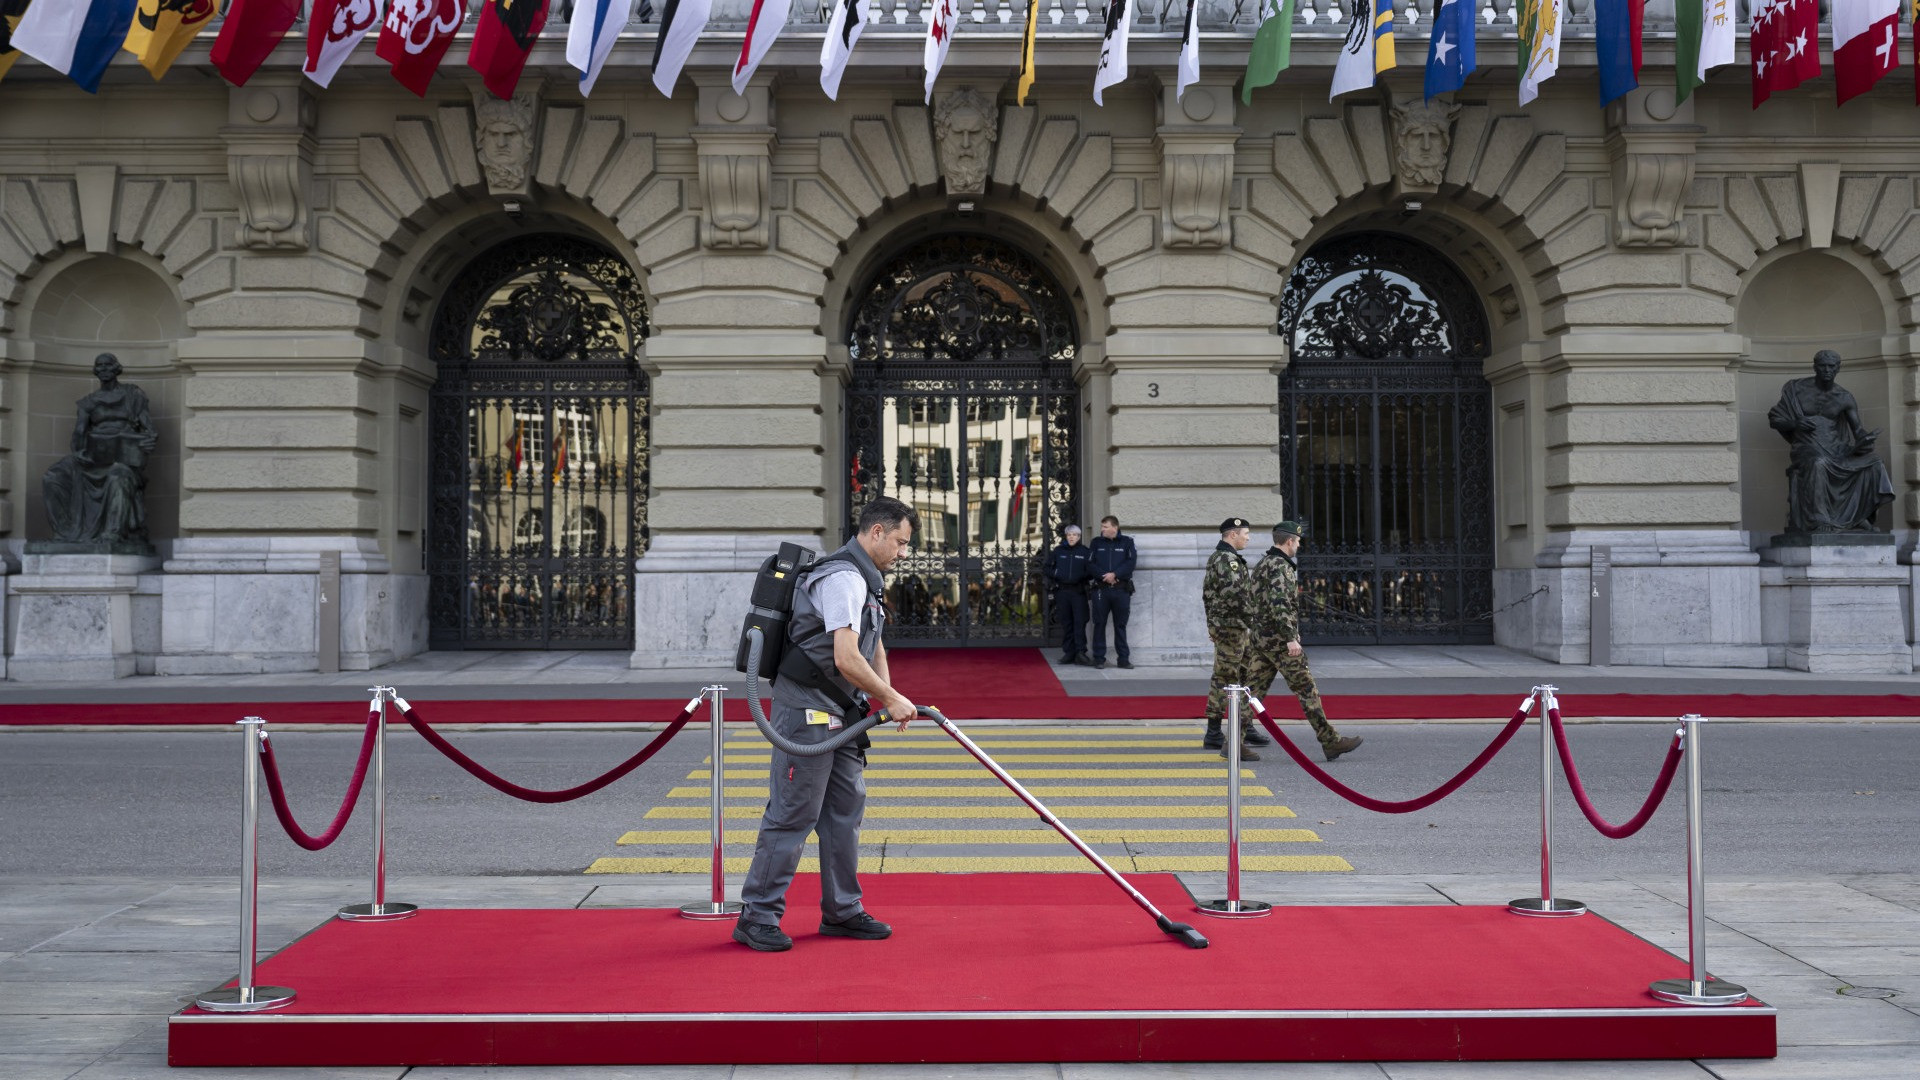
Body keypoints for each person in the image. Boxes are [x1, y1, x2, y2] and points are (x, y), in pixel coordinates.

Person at [734, 496, 920, 953]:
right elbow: (845, 655)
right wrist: (892, 700)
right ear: (876, 532)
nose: (903, 552)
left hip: (841, 713)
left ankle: (842, 910)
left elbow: (875, 646)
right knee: (793, 813)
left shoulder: (867, 581)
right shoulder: (842, 578)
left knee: (843, 813)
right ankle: (757, 915)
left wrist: (883, 697)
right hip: (806, 713)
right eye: (899, 542)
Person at [1245, 522, 1364, 762]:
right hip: (1280, 643)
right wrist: (1290, 638)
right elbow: (1280, 605)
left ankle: (1232, 742)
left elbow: (1254, 602)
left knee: (1252, 693)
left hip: (1262, 641)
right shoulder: (1280, 566)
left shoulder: (1263, 564)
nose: (1299, 545)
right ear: (1289, 541)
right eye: (1298, 541)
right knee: (1306, 689)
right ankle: (1330, 741)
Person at [1767, 349, 1894, 534]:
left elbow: (1857, 430)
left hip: (1837, 449)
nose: (1827, 370)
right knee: (1819, 463)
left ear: (1838, 369)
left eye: (1831, 366)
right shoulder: (1796, 389)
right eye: (1823, 366)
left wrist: (1865, 440)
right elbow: (1775, 420)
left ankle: (1857, 518)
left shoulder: (1844, 397)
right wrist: (1795, 423)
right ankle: (1820, 518)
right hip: (1806, 449)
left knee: (1875, 463)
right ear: (1815, 367)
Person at [1201, 517, 1258, 759]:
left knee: (1243, 676)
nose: (1248, 537)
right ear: (1232, 534)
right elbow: (1235, 595)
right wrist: (1256, 620)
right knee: (1226, 678)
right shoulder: (1227, 559)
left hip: (1232, 627)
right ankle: (1214, 732)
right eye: (1245, 533)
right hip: (1231, 628)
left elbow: (1207, 594)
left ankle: (1245, 726)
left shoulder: (1225, 558)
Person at [1087, 515, 1136, 669]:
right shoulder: (1096, 543)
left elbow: (1131, 562)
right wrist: (1105, 576)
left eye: (1105, 527)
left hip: (1121, 590)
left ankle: (1123, 659)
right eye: (1102, 526)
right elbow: (1090, 564)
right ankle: (1099, 659)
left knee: (1120, 625)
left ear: (1115, 527)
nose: (1102, 529)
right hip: (1101, 590)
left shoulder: (1127, 542)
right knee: (1099, 624)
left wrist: (1115, 574)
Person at [1044, 523, 1093, 664]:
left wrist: (1082, 576)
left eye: (1075, 535)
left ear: (1079, 536)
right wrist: (1057, 574)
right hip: (1062, 592)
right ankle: (1069, 653)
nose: (1072, 537)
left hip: (1079, 593)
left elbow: (1091, 570)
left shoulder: (1085, 552)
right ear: (1066, 536)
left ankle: (1081, 653)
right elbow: (1047, 568)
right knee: (1067, 623)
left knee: (1080, 622)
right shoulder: (1058, 551)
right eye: (1069, 535)